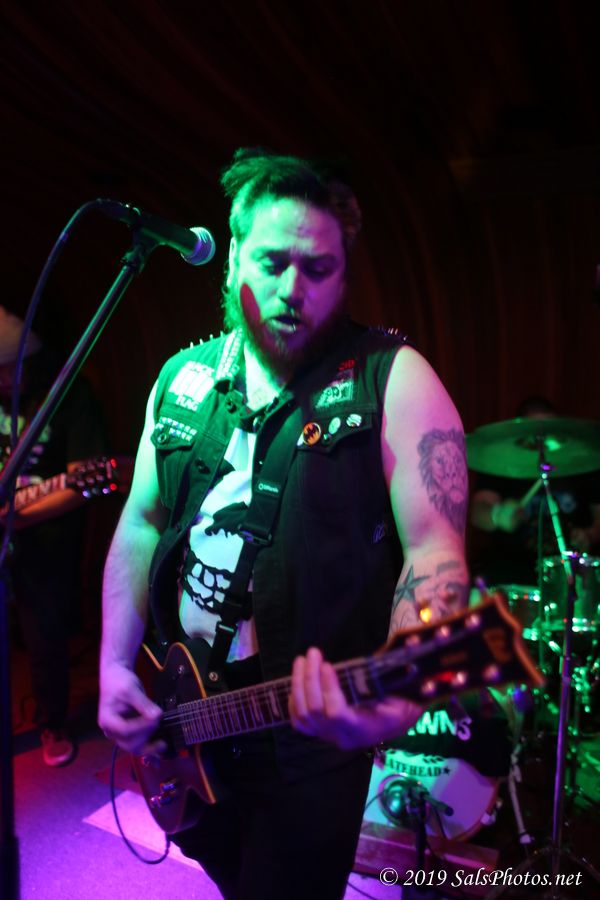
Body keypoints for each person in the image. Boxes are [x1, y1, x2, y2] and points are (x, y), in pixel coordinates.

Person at [98, 149, 469, 900]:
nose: (292, 288)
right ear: (234, 254)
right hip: (186, 718)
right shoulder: (180, 379)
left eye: (317, 268)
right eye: (271, 262)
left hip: (306, 745)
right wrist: (112, 663)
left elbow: (434, 553)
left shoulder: (394, 379)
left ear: (344, 272)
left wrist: (396, 697)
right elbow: (141, 520)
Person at [0, 306, 107, 766]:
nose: (4, 381)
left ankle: (52, 722)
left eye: (8, 370)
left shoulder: (67, 396)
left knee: (46, 636)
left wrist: (18, 518)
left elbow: (82, 482)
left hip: (43, 542)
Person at [470, 396, 600, 588]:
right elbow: (478, 512)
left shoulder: (583, 464)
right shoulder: (501, 464)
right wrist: (498, 515)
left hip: (570, 573)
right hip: (513, 571)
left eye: (548, 433)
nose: (542, 439)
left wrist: (590, 535)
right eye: (534, 434)